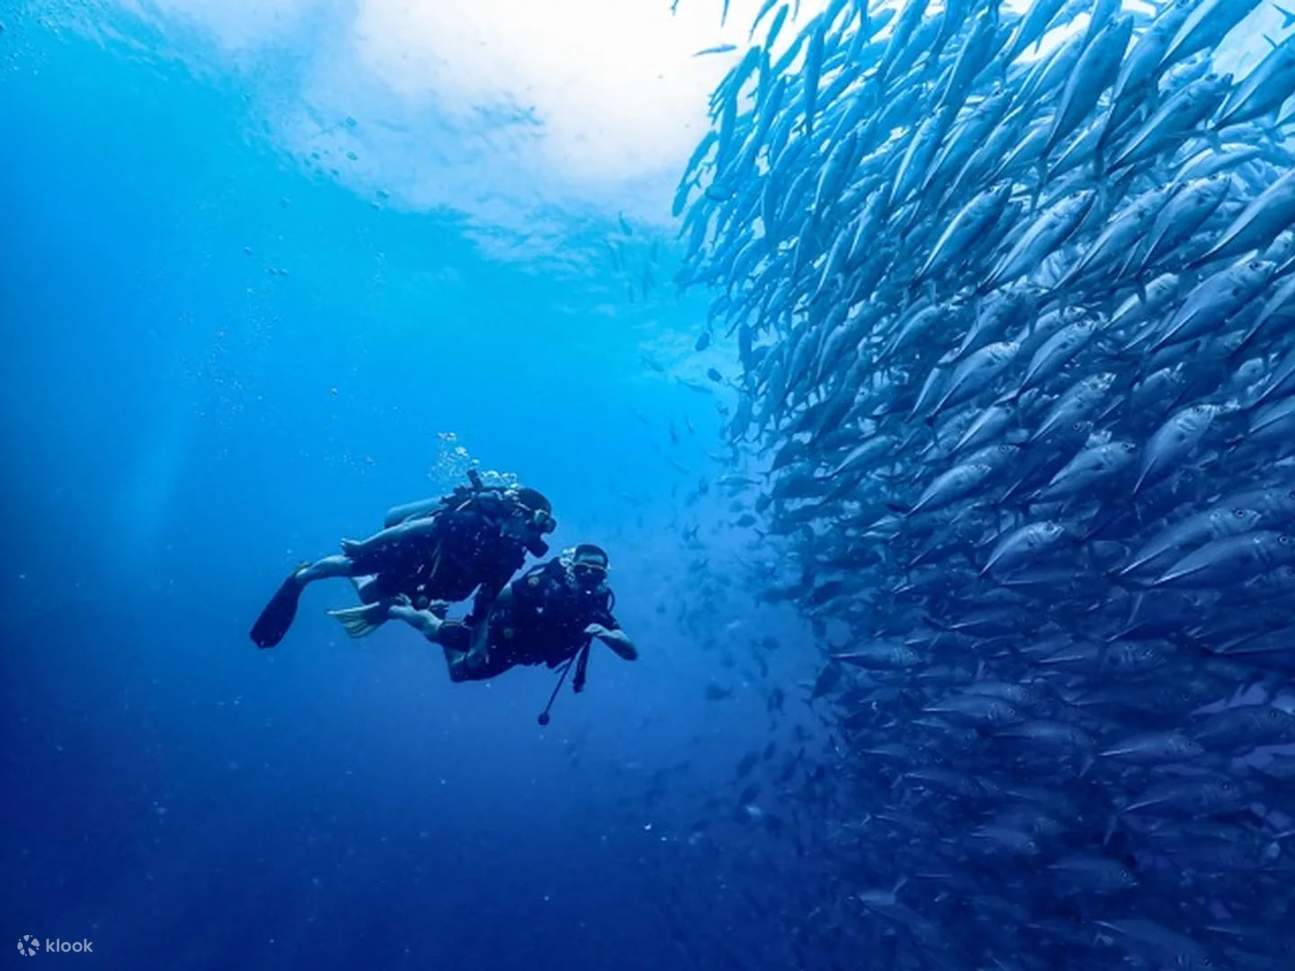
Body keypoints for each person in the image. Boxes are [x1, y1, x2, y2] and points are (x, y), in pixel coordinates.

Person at [249, 472, 556, 648]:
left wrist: (477, 642)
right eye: (537, 525)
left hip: (436, 577)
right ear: (519, 513)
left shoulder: (510, 555)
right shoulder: (471, 521)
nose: (535, 536)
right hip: (409, 551)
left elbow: (486, 600)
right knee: (349, 566)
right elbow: (408, 529)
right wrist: (362, 547)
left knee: (369, 594)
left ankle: (386, 601)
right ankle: (303, 575)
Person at [329, 543, 637, 681]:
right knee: (435, 632)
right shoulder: (541, 584)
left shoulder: (596, 608)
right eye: (582, 569)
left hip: (519, 654)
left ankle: (431, 613)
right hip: (494, 633)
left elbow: (630, 651)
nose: (588, 576)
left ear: (604, 576)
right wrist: (479, 642)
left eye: (596, 572)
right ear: (571, 567)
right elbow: (488, 599)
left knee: (458, 674)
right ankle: (395, 609)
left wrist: (609, 636)